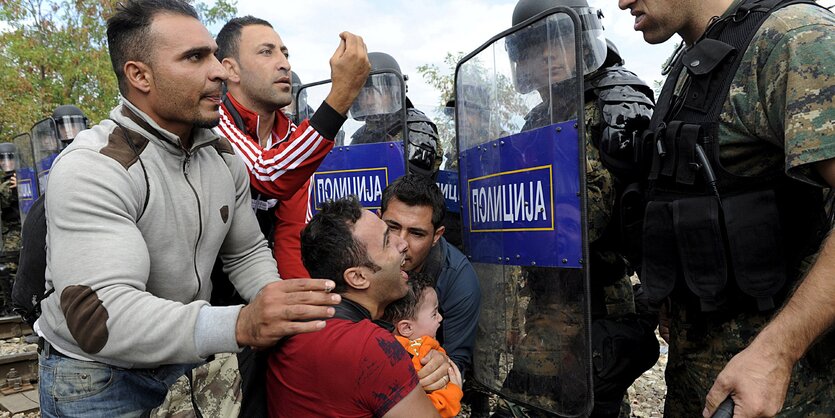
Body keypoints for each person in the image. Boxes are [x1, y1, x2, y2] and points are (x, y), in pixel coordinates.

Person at [35, 1, 340, 416]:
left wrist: (279, 306)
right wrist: (241, 324)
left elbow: (246, 251)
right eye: (195, 57)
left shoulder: (222, 157)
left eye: (213, 54)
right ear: (139, 75)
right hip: (100, 379)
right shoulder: (95, 165)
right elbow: (98, 317)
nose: (217, 70)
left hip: (185, 363)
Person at [616, 0, 835, 416]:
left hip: (784, 395)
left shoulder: (792, 38)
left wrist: (776, 354)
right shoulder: (688, 64)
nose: (623, 1)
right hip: (699, 385)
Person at [490, 0, 659, 416]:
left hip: (595, 297)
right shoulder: (537, 119)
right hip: (546, 296)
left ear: (582, 41)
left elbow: (586, 219)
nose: (547, 54)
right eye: (533, 45)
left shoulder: (609, 107)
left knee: (577, 401)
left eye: (558, 40)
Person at [215, 16, 369, 279]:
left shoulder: (292, 137)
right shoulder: (214, 119)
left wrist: (301, 307)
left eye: (285, 54)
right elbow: (267, 173)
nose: (284, 64)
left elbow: (293, 233)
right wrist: (341, 94)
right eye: (266, 52)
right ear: (231, 70)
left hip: (260, 282)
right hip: (199, 295)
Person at [267, 196, 443, 418]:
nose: (403, 244)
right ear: (358, 277)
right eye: (387, 241)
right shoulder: (367, 346)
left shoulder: (302, 320)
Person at [379, 173, 480, 376]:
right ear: (378, 218)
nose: (401, 243)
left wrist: (439, 365)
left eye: (416, 233)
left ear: (437, 235)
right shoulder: (355, 255)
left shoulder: (458, 279)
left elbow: (456, 360)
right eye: (392, 227)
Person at [12, 104, 90, 327]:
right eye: (64, 128)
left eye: (74, 126)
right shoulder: (49, 164)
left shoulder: (94, 151)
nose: (70, 133)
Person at [347, 52, 442, 177]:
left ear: (394, 93)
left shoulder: (417, 127)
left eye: (377, 92)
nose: (370, 101)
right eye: (364, 94)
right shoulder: (360, 137)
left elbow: (416, 183)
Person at [382, 272, 463, 418]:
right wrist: (455, 391)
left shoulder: (381, 345)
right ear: (406, 328)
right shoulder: (420, 354)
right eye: (434, 313)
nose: (440, 317)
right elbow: (434, 410)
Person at [0, 142, 19, 316]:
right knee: (7, 267)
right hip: (13, 232)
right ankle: (12, 306)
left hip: (33, 227)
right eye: (2, 160)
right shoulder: (4, 184)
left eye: (9, 159)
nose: (6, 163)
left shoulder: (28, 174)